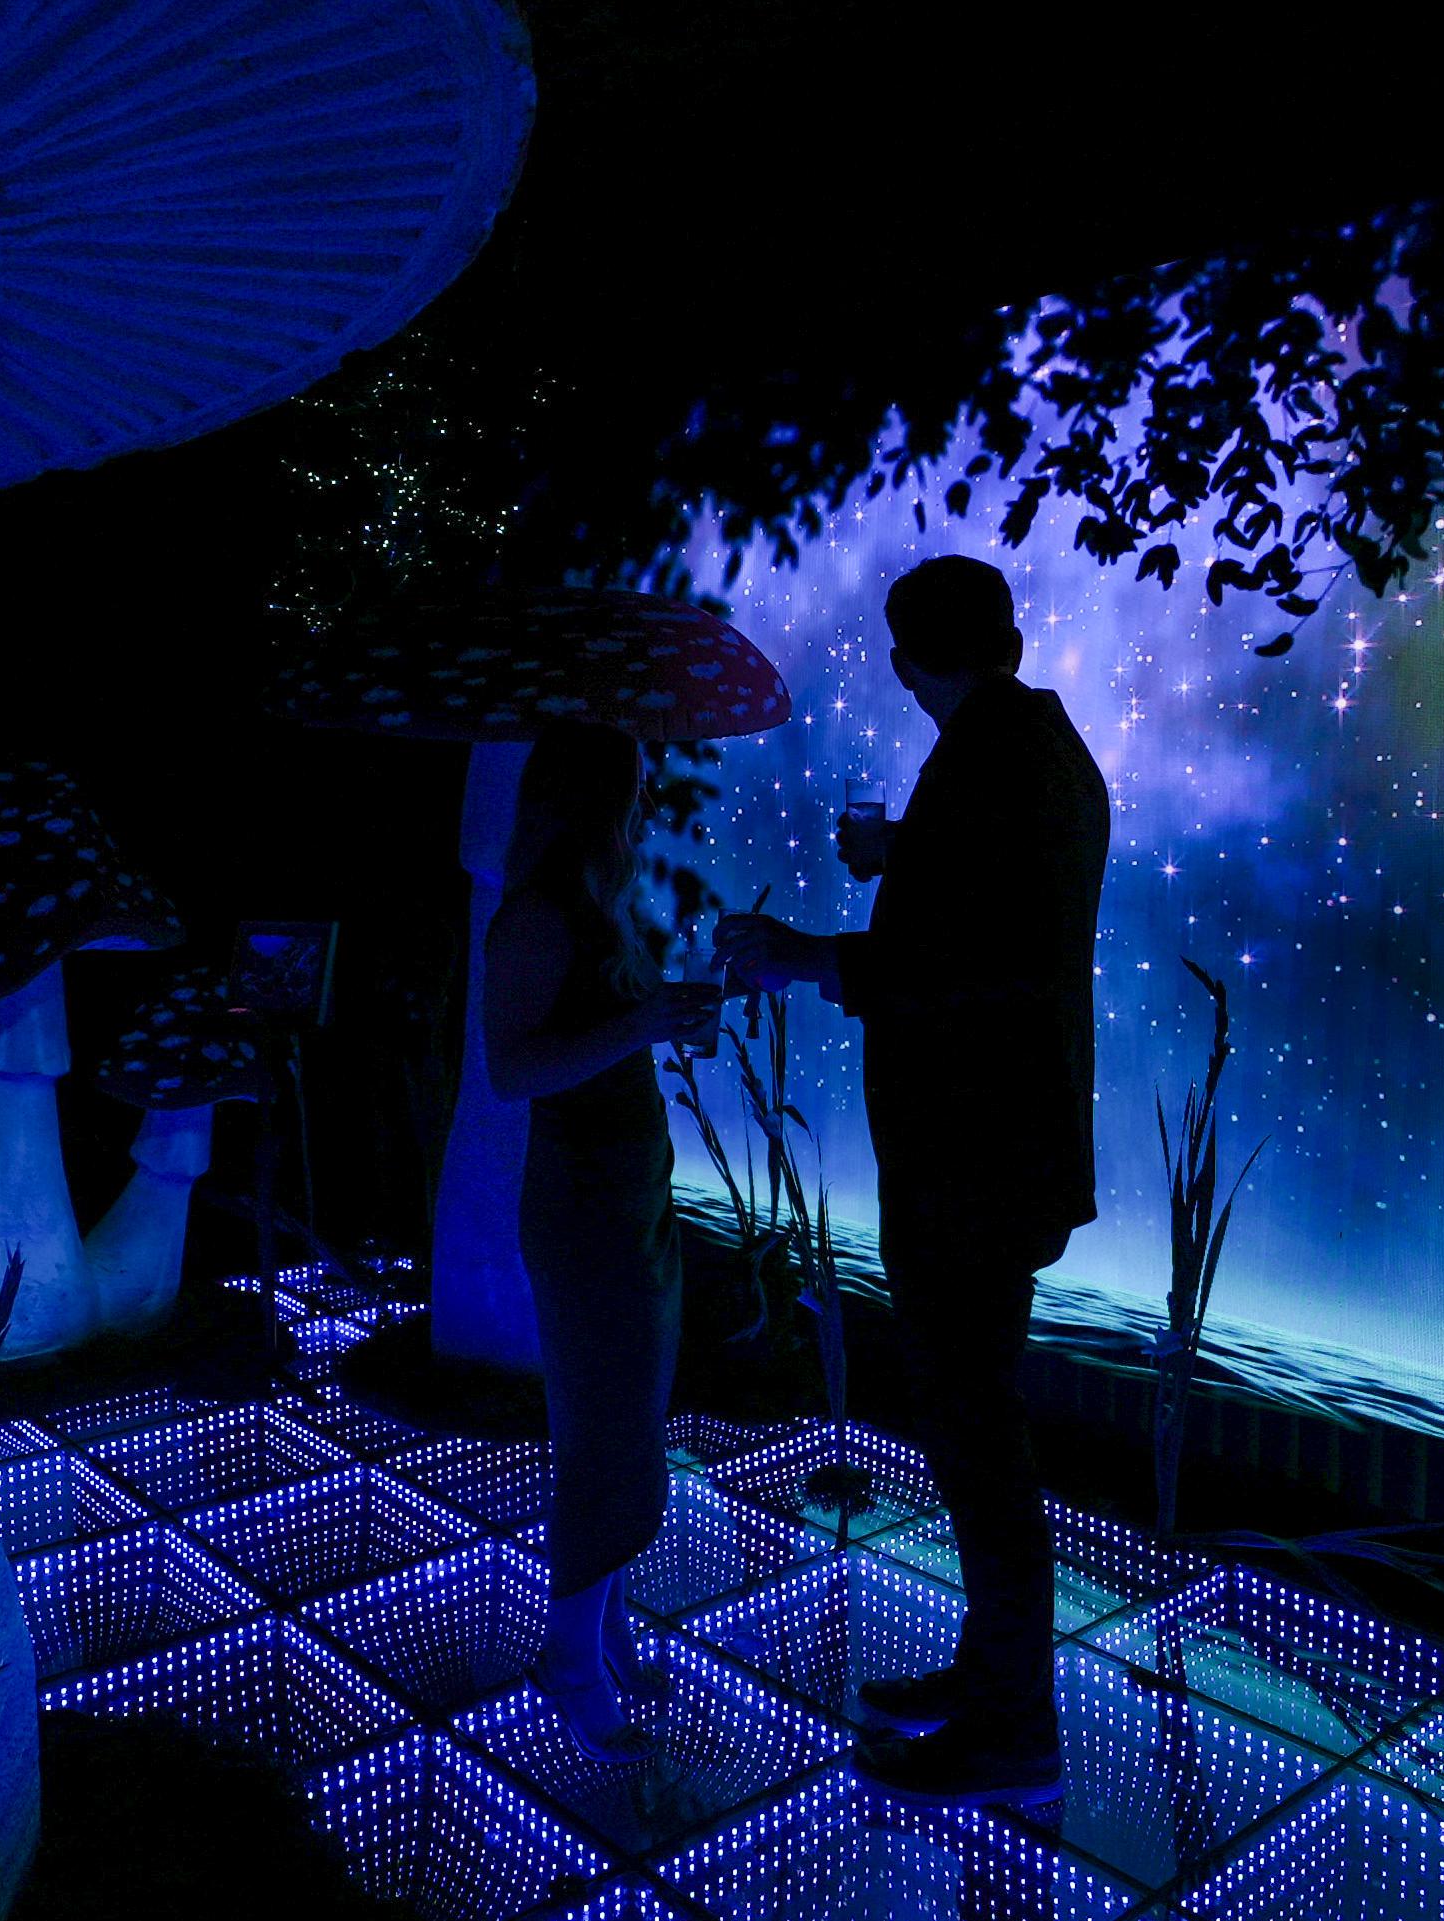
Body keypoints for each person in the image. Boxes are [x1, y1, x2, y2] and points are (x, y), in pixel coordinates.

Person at [719, 555, 1109, 1806]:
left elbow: (957, 970)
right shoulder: (1036, 744)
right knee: (974, 1427)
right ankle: (991, 1681)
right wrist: (907, 854)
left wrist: (803, 953)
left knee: (976, 1440)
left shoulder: (987, 760)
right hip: (1002, 1151)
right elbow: (996, 910)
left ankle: (1011, 1733)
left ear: (903, 662)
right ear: (1007, 638)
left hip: (969, 1160)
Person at [483, 717, 712, 1758]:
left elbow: (609, 1034)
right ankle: (567, 1658)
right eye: (635, 783)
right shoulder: (534, 914)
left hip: (630, 1201)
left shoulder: (595, 899)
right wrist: (642, 1022)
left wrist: (664, 1007)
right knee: (602, 1438)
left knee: (629, 1427)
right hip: (583, 1212)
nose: (648, 799)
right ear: (592, 797)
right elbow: (513, 1069)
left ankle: (605, 1629)